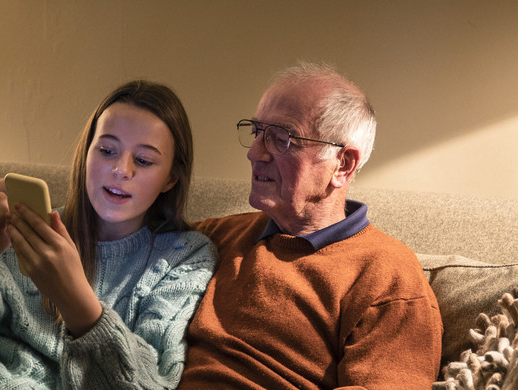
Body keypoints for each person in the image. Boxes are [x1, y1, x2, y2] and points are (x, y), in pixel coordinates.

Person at [0, 80, 217, 389]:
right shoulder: (30, 224)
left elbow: (147, 383)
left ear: (171, 178)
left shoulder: (184, 257)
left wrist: (78, 302)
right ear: (86, 154)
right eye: (107, 150)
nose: (120, 170)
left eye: (143, 160)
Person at [176, 63, 442, 388]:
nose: (255, 153)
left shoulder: (388, 276)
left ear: (342, 164)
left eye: (280, 138)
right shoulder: (216, 238)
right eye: (257, 133)